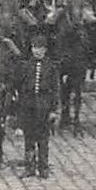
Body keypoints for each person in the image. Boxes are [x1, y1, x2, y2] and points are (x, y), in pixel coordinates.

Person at [18, 31, 58, 178]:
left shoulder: (51, 67)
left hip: (44, 105)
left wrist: (53, 109)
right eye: (35, 48)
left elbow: (55, 89)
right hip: (28, 105)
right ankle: (29, 166)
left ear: (45, 50)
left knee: (43, 138)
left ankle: (43, 167)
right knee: (29, 138)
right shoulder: (26, 66)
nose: (37, 51)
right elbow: (21, 87)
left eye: (40, 48)